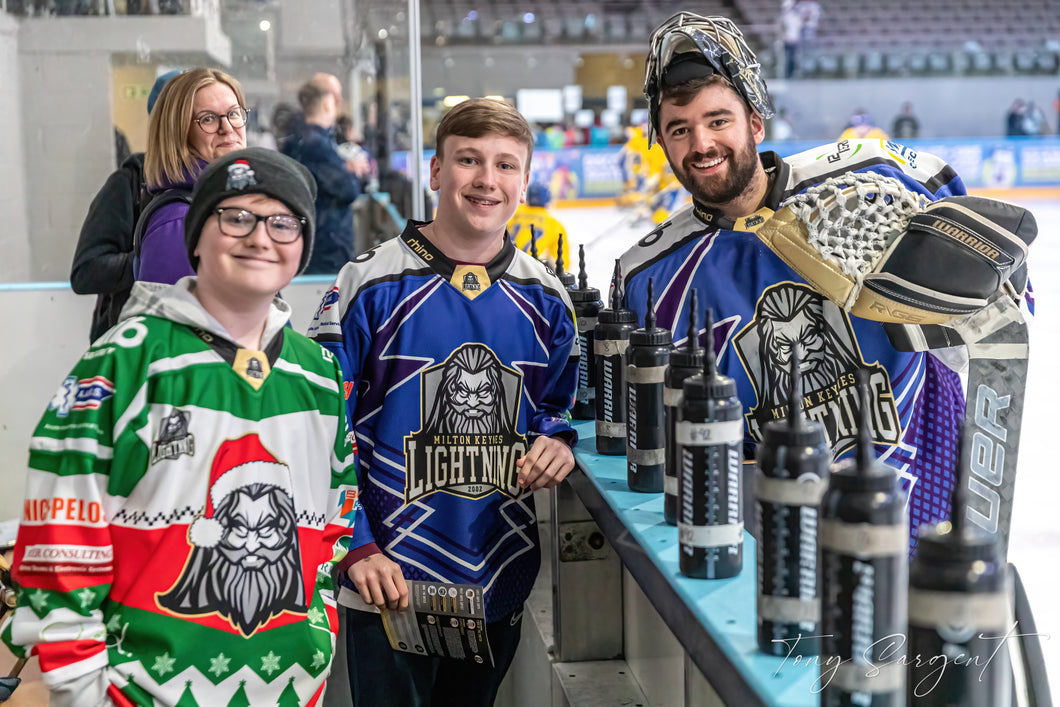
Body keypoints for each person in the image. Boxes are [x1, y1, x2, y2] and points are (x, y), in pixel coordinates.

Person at [618, 12, 1031, 551]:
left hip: (917, 498)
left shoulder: (882, 179)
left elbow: (998, 288)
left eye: (718, 120)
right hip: (782, 542)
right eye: (679, 128)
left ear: (755, 123)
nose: (701, 143)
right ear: (663, 142)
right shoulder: (648, 279)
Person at [3, 148, 358, 706]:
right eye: (235, 216)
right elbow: (60, 537)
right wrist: (79, 689)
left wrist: (318, 635)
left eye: (282, 222)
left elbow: (335, 521)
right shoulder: (123, 361)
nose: (259, 237)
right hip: (137, 694)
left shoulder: (318, 375)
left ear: (302, 247)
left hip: (290, 690)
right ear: (195, 236)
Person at [307, 97, 578, 707]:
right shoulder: (365, 285)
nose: (488, 180)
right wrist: (356, 546)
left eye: (506, 165)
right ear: (435, 172)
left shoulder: (547, 298)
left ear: (525, 181)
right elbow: (314, 430)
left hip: (497, 581)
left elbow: (556, 408)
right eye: (469, 160)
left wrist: (555, 440)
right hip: (388, 583)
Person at [70, 69, 180, 342]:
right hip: (134, 346)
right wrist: (156, 262)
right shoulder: (129, 183)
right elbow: (86, 272)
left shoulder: (225, 186)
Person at [136, 68, 249, 284]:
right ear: (179, 134)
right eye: (208, 119)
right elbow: (173, 315)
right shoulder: (179, 220)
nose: (227, 128)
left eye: (234, 113)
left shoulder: (227, 203)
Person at [283, 78, 369, 273]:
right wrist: (349, 172)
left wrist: (343, 166)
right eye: (336, 98)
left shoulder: (299, 140)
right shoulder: (317, 144)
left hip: (311, 240)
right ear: (327, 103)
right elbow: (347, 190)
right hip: (327, 248)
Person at [507, 182, 572, 269]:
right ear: (547, 199)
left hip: (504, 266)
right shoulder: (554, 223)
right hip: (531, 272)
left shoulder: (511, 213)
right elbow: (563, 266)